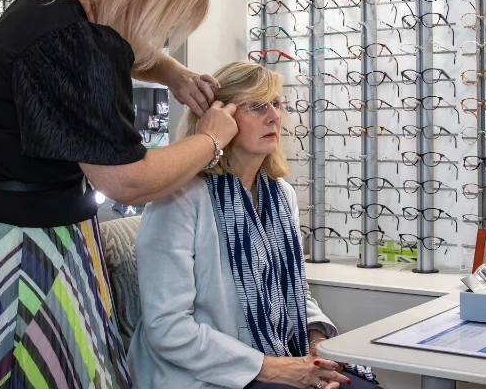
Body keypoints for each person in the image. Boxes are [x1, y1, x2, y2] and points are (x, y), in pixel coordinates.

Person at [0, 0, 239, 389]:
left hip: (3, 233)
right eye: (166, 24)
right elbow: (126, 181)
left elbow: (131, 51)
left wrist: (171, 72)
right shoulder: (76, 43)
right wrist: (211, 139)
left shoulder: (53, 5)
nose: (160, 37)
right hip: (20, 256)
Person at [129, 62, 382, 389]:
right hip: (203, 374)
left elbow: (294, 292)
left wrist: (317, 346)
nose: (275, 116)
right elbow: (168, 328)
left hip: (276, 356)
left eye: (276, 104)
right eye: (258, 106)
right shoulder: (177, 200)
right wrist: (276, 368)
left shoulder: (280, 195)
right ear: (218, 118)